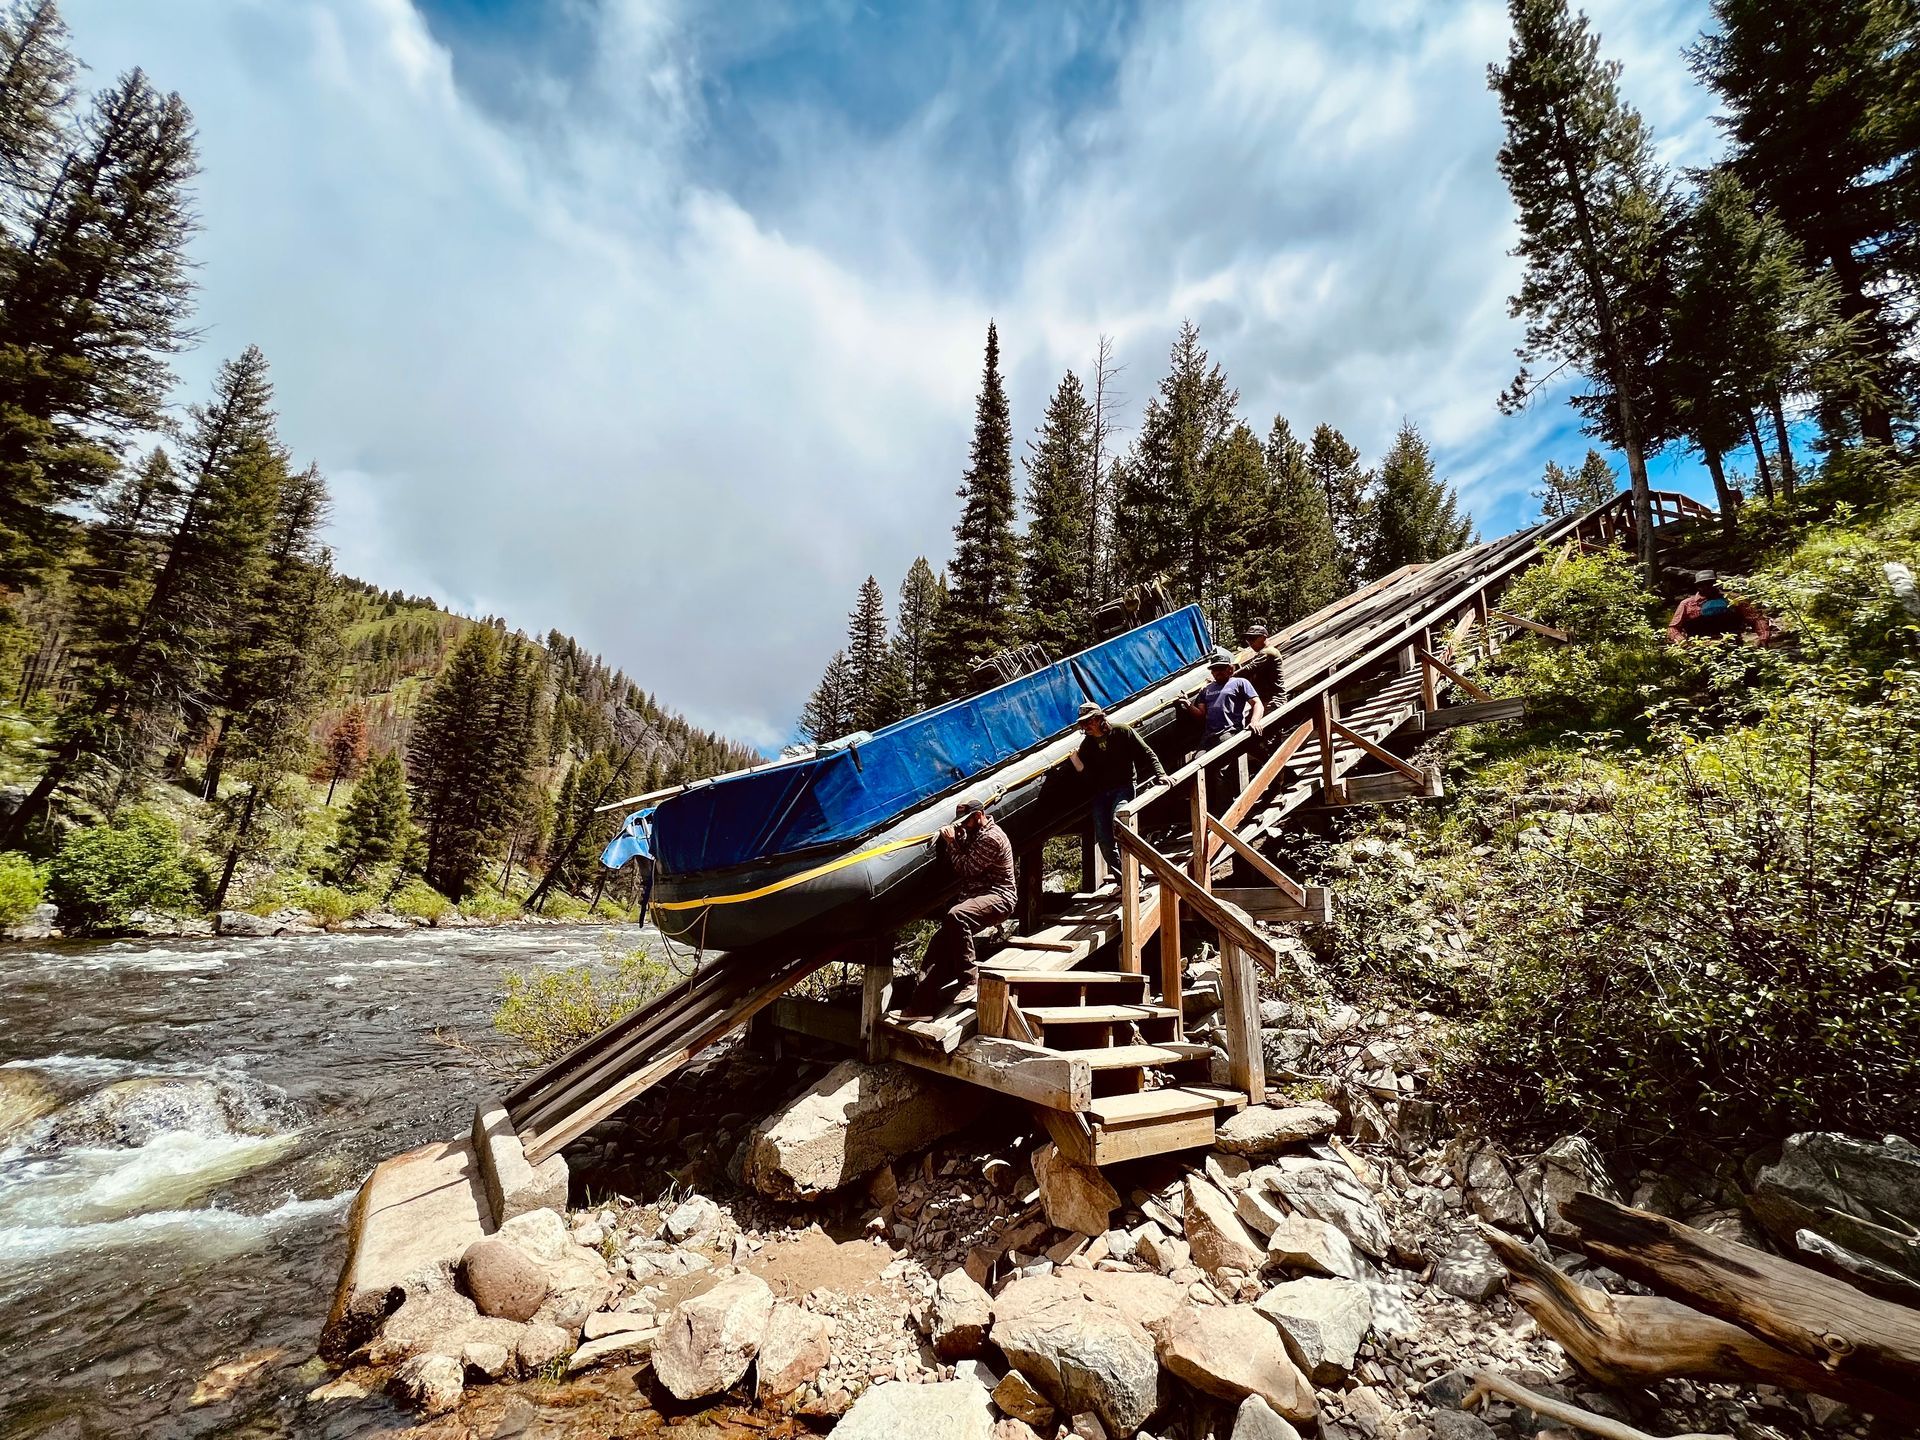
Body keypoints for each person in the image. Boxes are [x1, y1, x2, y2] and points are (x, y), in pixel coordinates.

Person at [898, 798, 1018, 1019]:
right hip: (976, 897)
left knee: (957, 915)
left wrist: (952, 843)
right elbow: (966, 848)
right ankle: (921, 1007)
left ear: (979, 815)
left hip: (999, 897)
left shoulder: (992, 838)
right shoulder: (972, 832)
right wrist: (958, 837)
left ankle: (970, 980)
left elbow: (967, 868)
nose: (962, 826)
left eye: (966, 821)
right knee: (938, 945)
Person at [1068, 700, 1169, 877]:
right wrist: (1078, 764)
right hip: (1101, 793)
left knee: (1120, 823)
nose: (1087, 726)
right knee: (1104, 840)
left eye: (1090, 721)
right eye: (1084, 723)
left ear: (1100, 718)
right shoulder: (1087, 745)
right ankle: (1122, 879)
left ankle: (1136, 875)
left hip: (1124, 787)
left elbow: (1147, 753)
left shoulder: (1122, 731)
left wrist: (1161, 774)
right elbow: (1089, 778)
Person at [1667, 570, 1770, 645]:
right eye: (1702, 584)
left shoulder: (1733, 600)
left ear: (1716, 583)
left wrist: (1763, 637)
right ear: (1697, 586)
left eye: (1710, 583)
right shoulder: (1687, 604)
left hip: (1732, 644)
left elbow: (1756, 619)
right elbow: (1673, 628)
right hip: (1699, 648)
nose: (1707, 587)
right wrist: (1683, 643)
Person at [1186, 649, 1264, 749]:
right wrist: (1187, 704)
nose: (1218, 672)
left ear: (1230, 669)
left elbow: (1257, 703)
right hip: (1209, 735)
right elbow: (1201, 714)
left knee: (1221, 760)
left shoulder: (1239, 683)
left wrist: (1255, 721)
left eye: (1221, 668)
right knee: (1197, 761)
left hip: (1229, 732)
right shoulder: (1206, 689)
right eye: (1214, 669)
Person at [1237, 621, 1285, 706]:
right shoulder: (1261, 654)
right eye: (1247, 639)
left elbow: (1249, 669)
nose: (1250, 642)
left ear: (1263, 637)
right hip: (1265, 702)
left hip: (1273, 702)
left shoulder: (1268, 652)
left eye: (1252, 638)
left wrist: (1227, 676)